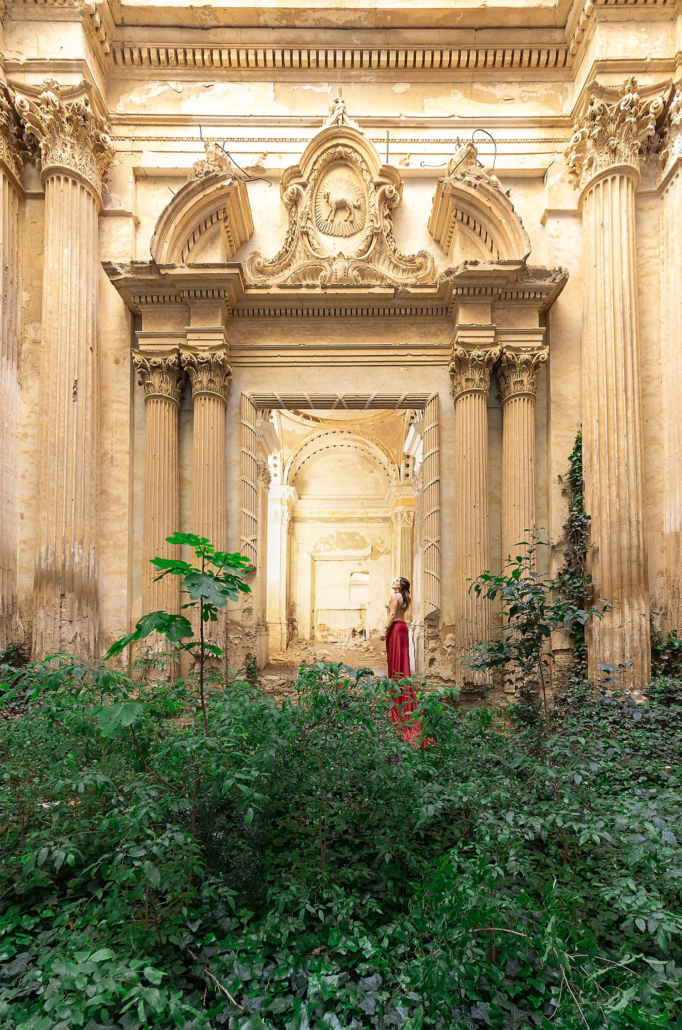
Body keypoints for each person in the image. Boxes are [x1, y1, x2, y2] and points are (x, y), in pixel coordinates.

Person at [380, 577, 421, 742]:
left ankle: (397, 700)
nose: (394, 582)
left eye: (397, 581)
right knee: (402, 664)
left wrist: (384, 629)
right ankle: (406, 697)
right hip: (403, 628)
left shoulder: (395, 596)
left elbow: (392, 614)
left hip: (395, 629)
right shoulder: (406, 597)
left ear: (401, 585)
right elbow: (397, 612)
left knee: (395, 664)